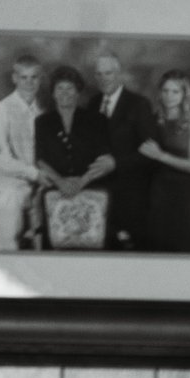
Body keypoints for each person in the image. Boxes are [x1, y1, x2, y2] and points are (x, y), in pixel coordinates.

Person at [86, 42, 156, 249]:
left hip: (131, 197)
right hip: (98, 194)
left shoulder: (139, 104)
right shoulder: (92, 102)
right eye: (98, 74)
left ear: (119, 74)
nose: (103, 79)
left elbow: (150, 155)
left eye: (108, 73)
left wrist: (116, 163)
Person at [34, 64, 114, 246]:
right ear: (53, 93)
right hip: (56, 189)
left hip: (92, 189)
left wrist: (81, 182)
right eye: (60, 88)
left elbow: (104, 159)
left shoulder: (96, 120)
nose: (65, 93)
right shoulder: (43, 122)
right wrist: (60, 182)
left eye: (70, 88)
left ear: (78, 92)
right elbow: (40, 159)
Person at [0, 52, 43, 251]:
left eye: (34, 77)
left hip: (36, 192)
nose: (29, 82)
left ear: (40, 78)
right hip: (10, 192)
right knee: (8, 249)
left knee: (38, 249)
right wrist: (35, 174)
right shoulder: (1, 110)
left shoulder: (40, 112)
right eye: (23, 77)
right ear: (14, 78)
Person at [139, 68, 190, 254]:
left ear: (184, 94)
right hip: (156, 194)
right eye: (165, 91)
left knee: (183, 246)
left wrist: (161, 156)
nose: (169, 96)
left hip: (185, 195)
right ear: (159, 93)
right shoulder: (151, 120)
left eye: (175, 91)